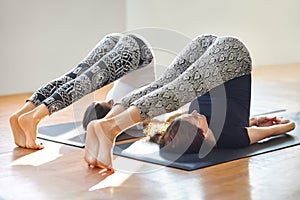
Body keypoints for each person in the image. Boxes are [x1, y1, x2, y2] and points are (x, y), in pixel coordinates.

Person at [83, 35, 296, 171]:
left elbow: (233, 121)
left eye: (191, 117)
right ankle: (108, 128)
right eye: (195, 120)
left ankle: (108, 124)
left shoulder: (218, 127)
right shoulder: (233, 138)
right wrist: (269, 123)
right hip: (231, 55)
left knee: (165, 85)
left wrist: (255, 121)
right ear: (204, 136)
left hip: (213, 51)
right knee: (174, 90)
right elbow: (286, 128)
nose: (195, 114)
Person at [9, 32, 154, 149]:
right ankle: (34, 117)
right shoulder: (127, 108)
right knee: (82, 83)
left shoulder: (117, 100)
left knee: (71, 77)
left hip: (122, 43)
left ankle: (21, 114)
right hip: (138, 51)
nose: (101, 101)